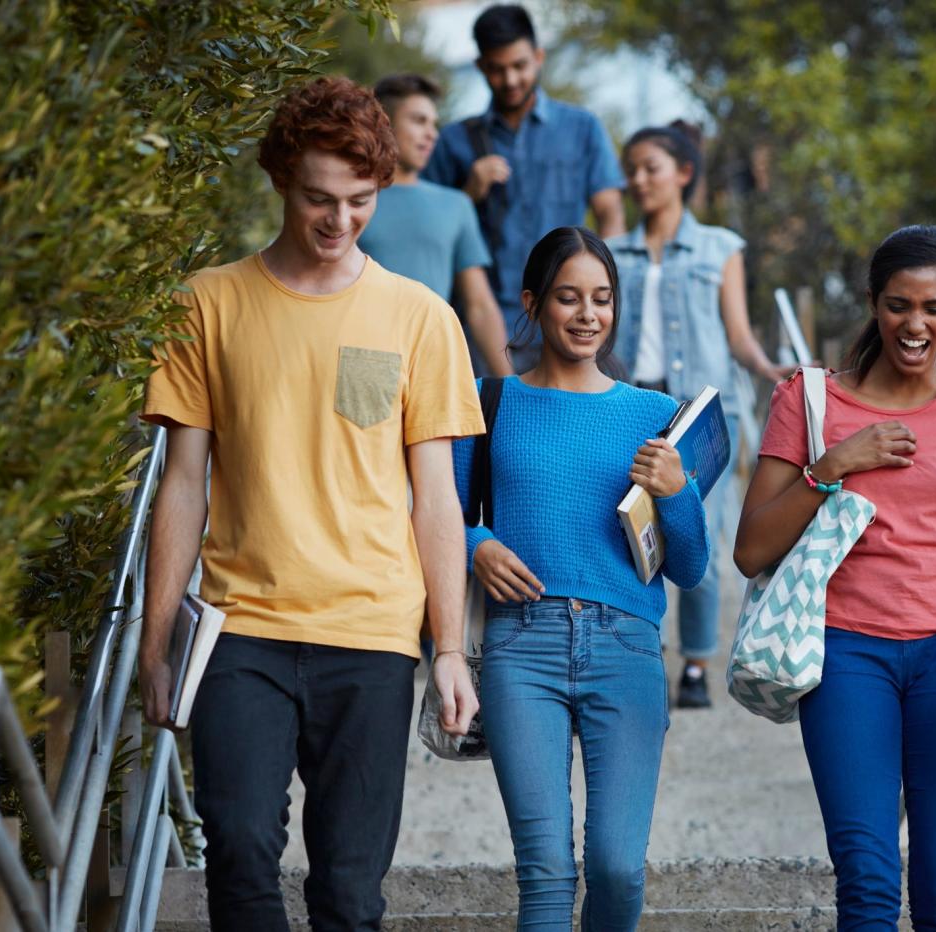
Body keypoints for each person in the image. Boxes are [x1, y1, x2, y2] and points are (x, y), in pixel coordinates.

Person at [136, 76, 484, 932]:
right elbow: (184, 479)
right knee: (242, 852)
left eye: (360, 202)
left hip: (370, 633)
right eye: (318, 200)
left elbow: (435, 497)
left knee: (349, 893)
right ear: (281, 182)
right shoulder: (206, 304)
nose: (338, 222)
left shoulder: (420, 318)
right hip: (240, 628)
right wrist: (153, 640)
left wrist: (449, 646)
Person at [734, 225, 936, 930]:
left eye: (933, 308)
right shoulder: (809, 402)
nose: (915, 324)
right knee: (867, 877)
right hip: (844, 654)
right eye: (899, 305)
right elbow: (749, 549)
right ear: (873, 303)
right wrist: (833, 464)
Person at [453, 226, 709, 929]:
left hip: (625, 649)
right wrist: (476, 543)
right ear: (534, 304)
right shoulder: (489, 403)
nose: (588, 314)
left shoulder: (655, 417)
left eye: (602, 298)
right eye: (569, 298)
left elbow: (690, 567)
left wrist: (679, 489)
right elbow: (437, 512)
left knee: (618, 870)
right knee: (544, 875)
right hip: (520, 648)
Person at [608, 123, 793, 708]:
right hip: (633, 406)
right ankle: (642, 653)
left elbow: (737, 334)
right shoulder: (614, 252)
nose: (639, 180)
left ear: (683, 173)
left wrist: (767, 368)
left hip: (701, 415)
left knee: (702, 535)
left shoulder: (721, 248)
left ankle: (694, 663)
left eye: (651, 168)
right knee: (632, 531)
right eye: (632, 169)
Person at [423, 4, 626, 371]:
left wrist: (597, 295)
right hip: (484, 331)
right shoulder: (454, 142)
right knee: (493, 426)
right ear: (481, 67)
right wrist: (468, 192)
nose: (511, 79)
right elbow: (430, 236)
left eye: (520, 66)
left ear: (538, 57)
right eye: (498, 70)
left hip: (566, 322)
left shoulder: (582, 128)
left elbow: (611, 214)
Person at [359, 73, 512, 376]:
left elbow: (480, 304)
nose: (432, 134)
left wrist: (512, 386)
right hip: (362, 365)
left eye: (433, 124)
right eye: (418, 121)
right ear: (384, 123)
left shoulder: (456, 205)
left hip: (433, 369)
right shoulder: (351, 200)